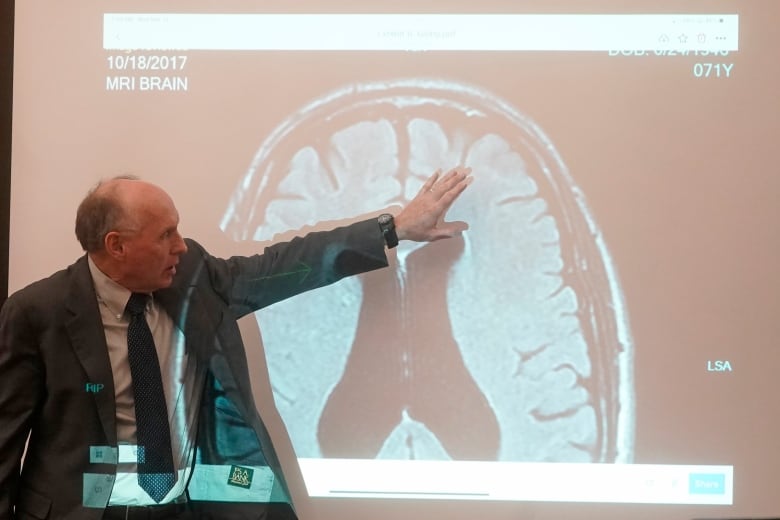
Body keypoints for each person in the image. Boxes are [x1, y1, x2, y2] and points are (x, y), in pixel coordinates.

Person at [0, 166, 472, 520]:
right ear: (116, 245)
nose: (181, 246)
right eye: (166, 235)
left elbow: (284, 266)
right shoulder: (36, 314)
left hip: (184, 510)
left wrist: (394, 229)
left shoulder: (193, 281)